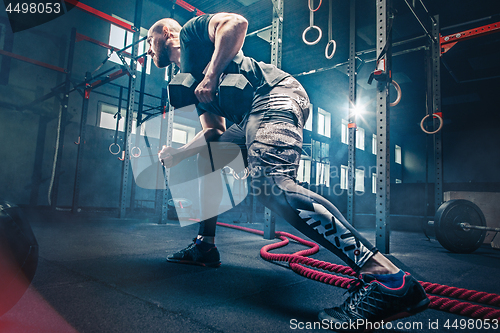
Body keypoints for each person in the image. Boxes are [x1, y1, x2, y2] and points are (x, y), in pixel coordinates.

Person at [147, 12, 429, 331]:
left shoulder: (191, 33)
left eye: (148, 39)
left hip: (274, 95)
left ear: (167, 32)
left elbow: (236, 23)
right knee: (206, 161)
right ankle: (205, 245)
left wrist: (211, 74)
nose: (146, 48)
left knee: (268, 183)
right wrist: (181, 153)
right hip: (246, 119)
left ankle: (388, 280)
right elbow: (214, 135)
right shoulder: (189, 85)